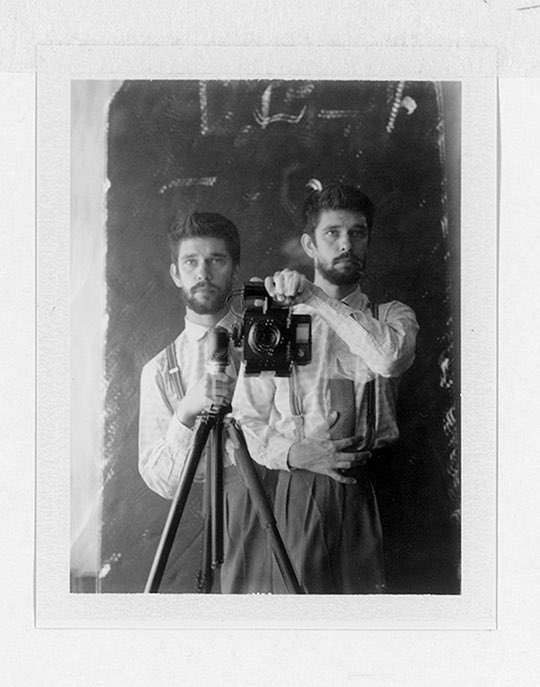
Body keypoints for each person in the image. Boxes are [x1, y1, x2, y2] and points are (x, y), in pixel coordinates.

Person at [232, 182, 419, 594]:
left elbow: (387, 359)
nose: (346, 244)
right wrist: (294, 453)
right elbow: (246, 416)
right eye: (332, 233)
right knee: (300, 622)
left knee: (374, 624)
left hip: (376, 488)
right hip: (303, 487)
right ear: (309, 244)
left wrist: (317, 299)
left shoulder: (391, 316)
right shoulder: (274, 323)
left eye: (358, 232)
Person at [138, 211, 273, 593]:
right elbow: (161, 480)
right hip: (219, 520)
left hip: (288, 503)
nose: (204, 272)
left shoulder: (270, 338)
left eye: (217, 260)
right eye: (191, 262)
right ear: (176, 273)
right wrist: (184, 412)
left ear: (234, 269)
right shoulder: (160, 370)